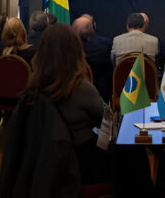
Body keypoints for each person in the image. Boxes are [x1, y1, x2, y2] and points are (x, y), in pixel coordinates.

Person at [24, 23, 109, 184]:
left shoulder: (31, 91)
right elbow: (107, 121)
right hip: (81, 169)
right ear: (75, 51)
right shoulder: (81, 88)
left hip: (42, 170)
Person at [71, 14, 113, 102]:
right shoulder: (105, 44)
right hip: (102, 93)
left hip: (75, 92)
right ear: (94, 26)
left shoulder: (68, 48)